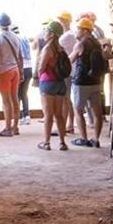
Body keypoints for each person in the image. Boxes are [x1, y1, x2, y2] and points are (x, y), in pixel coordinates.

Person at [69, 17, 109, 148]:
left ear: (85, 30)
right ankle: (96, 139)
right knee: (97, 112)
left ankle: (83, 138)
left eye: (79, 29)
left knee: (78, 110)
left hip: (81, 83)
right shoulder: (98, 44)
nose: (77, 31)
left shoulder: (80, 44)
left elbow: (71, 60)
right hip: (96, 81)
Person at [37, 20, 72, 151]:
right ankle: (62, 142)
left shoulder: (47, 48)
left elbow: (41, 67)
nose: (44, 33)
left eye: (46, 31)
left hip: (48, 83)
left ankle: (46, 143)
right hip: (60, 83)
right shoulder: (61, 49)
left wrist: (40, 76)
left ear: (52, 34)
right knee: (59, 115)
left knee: (48, 115)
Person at [0, 13, 24, 136]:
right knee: (14, 100)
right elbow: (20, 56)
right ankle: (15, 127)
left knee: (6, 101)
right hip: (15, 70)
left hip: (4, 72)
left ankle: (8, 128)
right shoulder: (15, 37)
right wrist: (21, 71)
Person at [14, 24, 32, 124]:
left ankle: (20, 116)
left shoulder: (14, 39)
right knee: (24, 93)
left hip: (20, 68)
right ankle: (27, 115)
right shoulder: (25, 38)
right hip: (29, 68)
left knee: (17, 94)